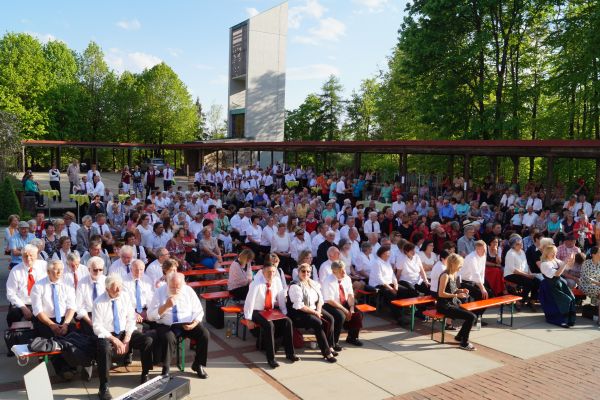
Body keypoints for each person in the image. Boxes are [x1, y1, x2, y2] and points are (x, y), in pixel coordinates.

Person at [93, 273, 153, 400]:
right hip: (107, 334)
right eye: (115, 288)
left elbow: (131, 318)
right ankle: (104, 386)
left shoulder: (124, 296)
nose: (118, 290)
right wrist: (114, 339)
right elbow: (97, 326)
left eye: (120, 287)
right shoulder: (98, 302)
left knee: (147, 340)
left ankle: (145, 374)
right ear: (107, 289)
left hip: (125, 331)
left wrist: (127, 338)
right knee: (104, 349)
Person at [148, 272, 210, 378]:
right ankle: (166, 368)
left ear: (183, 284)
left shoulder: (188, 290)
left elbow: (199, 310)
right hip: (166, 324)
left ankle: (198, 364)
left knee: (204, 334)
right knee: (168, 338)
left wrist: (194, 324)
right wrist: (165, 306)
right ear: (167, 283)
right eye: (172, 287)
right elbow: (150, 316)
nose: (176, 290)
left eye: (178, 287)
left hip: (186, 322)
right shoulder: (159, 292)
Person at [243, 262, 299, 368]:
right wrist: (248, 319)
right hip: (256, 310)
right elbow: (249, 302)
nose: (271, 274)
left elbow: (280, 297)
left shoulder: (276, 281)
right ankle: (271, 358)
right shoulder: (256, 283)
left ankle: (290, 354)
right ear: (263, 272)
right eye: (269, 272)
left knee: (288, 322)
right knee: (269, 325)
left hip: (270, 310)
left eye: (273, 271)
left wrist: (284, 313)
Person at [30, 259, 77, 379]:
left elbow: (71, 307)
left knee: (72, 337)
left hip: (65, 318)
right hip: (46, 320)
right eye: (56, 270)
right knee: (52, 341)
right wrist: (51, 324)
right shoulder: (38, 286)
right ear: (48, 272)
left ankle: (72, 365)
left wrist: (66, 324)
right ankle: (63, 369)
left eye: (61, 270)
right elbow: (38, 311)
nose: (59, 272)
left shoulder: (67, 284)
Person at [287, 264, 338, 363]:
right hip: (299, 313)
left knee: (330, 319)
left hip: (314, 308)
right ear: (298, 272)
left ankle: (330, 345)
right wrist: (315, 313)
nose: (306, 273)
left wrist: (318, 310)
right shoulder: (295, 285)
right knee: (317, 323)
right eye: (303, 271)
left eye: (308, 271)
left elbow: (320, 299)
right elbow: (299, 306)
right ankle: (327, 352)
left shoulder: (313, 283)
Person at [436, 254, 477, 351]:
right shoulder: (445, 275)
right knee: (471, 317)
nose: (461, 266)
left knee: (472, 316)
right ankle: (464, 343)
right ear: (453, 264)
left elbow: (453, 290)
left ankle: (459, 337)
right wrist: (457, 295)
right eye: (460, 264)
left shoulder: (453, 274)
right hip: (444, 306)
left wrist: (461, 290)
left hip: (451, 304)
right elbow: (441, 294)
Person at [322, 261, 364, 347]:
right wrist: (345, 310)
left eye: (344, 269)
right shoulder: (328, 281)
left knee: (358, 313)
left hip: (343, 302)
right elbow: (330, 300)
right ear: (334, 272)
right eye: (341, 271)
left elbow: (350, 294)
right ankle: (334, 342)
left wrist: (351, 308)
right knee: (340, 316)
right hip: (329, 304)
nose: (344, 272)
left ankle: (352, 338)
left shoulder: (347, 278)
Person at [6, 244, 47, 327]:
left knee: (47, 316)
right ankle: (15, 334)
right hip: (22, 302)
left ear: (36, 255)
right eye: (25, 256)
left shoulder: (44, 266)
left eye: (31, 255)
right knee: (13, 315)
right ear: (21, 256)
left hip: (40, 301)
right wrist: (23, 307)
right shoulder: (15, 270)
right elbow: (10, 293)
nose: (28, 258)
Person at [539, 245, 576, 328]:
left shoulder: (555, 260)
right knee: (565, 300)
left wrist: (571, 258)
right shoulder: (544, 264)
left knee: (571, 298)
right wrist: (565, 262)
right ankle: (561, 321)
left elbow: (569, 267)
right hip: (550, 286)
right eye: (552, 253)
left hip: (558, 284)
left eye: (555, 252)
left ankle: (569, 320)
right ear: (547, 253)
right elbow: (557, 273)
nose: (555, 254)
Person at [504, 236, 540, 309]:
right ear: (513, 245)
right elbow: (513, 270)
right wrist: (527, 275)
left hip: (523, 274)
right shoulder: (510, 253)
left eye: (521, 243)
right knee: (529, 283)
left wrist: (530, 273)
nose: (521, 245)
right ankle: (520, 301)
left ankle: (532, 301)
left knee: (537, 281)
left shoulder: (522, 252)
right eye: (518, 244)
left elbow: (526, 265)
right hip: (511, 274)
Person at [75, 256, 106, 336]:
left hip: (104, 314)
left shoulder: (107, 281)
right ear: (89, 269)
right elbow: (79, 306)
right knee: (91, 336)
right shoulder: (82, 283)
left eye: (100, 270)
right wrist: (90, 321)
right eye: (95, 270)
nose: (98, 272)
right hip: (88, 315)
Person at [580, 246, 600, 324]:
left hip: (597, 286)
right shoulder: (587, 263)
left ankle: (598, 318)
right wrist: (598, 283)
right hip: (586, 285)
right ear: (593, 254)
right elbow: (586, 277)